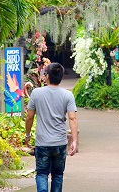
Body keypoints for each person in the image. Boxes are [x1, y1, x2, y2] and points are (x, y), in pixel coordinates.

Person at [24, 62, 78, 192]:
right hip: (60, 142)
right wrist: (74, 141)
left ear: (47, 76)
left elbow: (29, 117)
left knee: (42, 173)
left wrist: (27, 135)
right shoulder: (67, 95)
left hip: (42, 142)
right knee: (57, 175)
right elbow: (72, 118)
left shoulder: (36, 93)